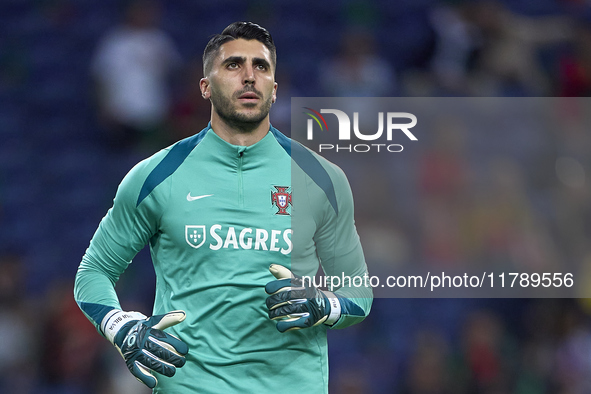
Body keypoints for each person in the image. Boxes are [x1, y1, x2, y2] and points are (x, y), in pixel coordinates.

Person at [74, 21, 372, 393]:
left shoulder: (322, 177)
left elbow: (359, 292)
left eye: (261, 67)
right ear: (205, 86)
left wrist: (327, 305)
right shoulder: (156, 175)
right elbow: (92, 274)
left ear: (275, 89)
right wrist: (121, 326)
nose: (249, 77)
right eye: (233, 65)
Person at [91, 0, 182, 151]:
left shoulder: (159, 40)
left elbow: (174, 74)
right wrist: (104, 108)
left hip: (155, 113)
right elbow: (101, 77)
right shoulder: (115, 41)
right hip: (121, 113)